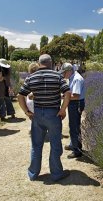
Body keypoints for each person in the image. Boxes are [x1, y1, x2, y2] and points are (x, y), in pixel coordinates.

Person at [17, 54, 71, 182]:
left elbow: (20, 95)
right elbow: (67, 92)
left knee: (36, 145)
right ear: (51, 63)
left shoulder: (31, 77)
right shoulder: (57, 76)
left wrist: (26, 112)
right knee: (55, 144)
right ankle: (56, 173)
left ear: (39, 63)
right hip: (53, 114)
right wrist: (63, 110)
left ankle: (33, 173)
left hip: (38, 114)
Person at [60, 62, 86, 158]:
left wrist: (64, 97)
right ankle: (73, 144)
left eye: (64, 72)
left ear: (69, 71)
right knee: (73, 125)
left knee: (74, 127)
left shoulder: (77, 79)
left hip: (76, 104)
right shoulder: (73, 77)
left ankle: (77, 150)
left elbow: (75, 96)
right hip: (75, 104)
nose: (63, 75)